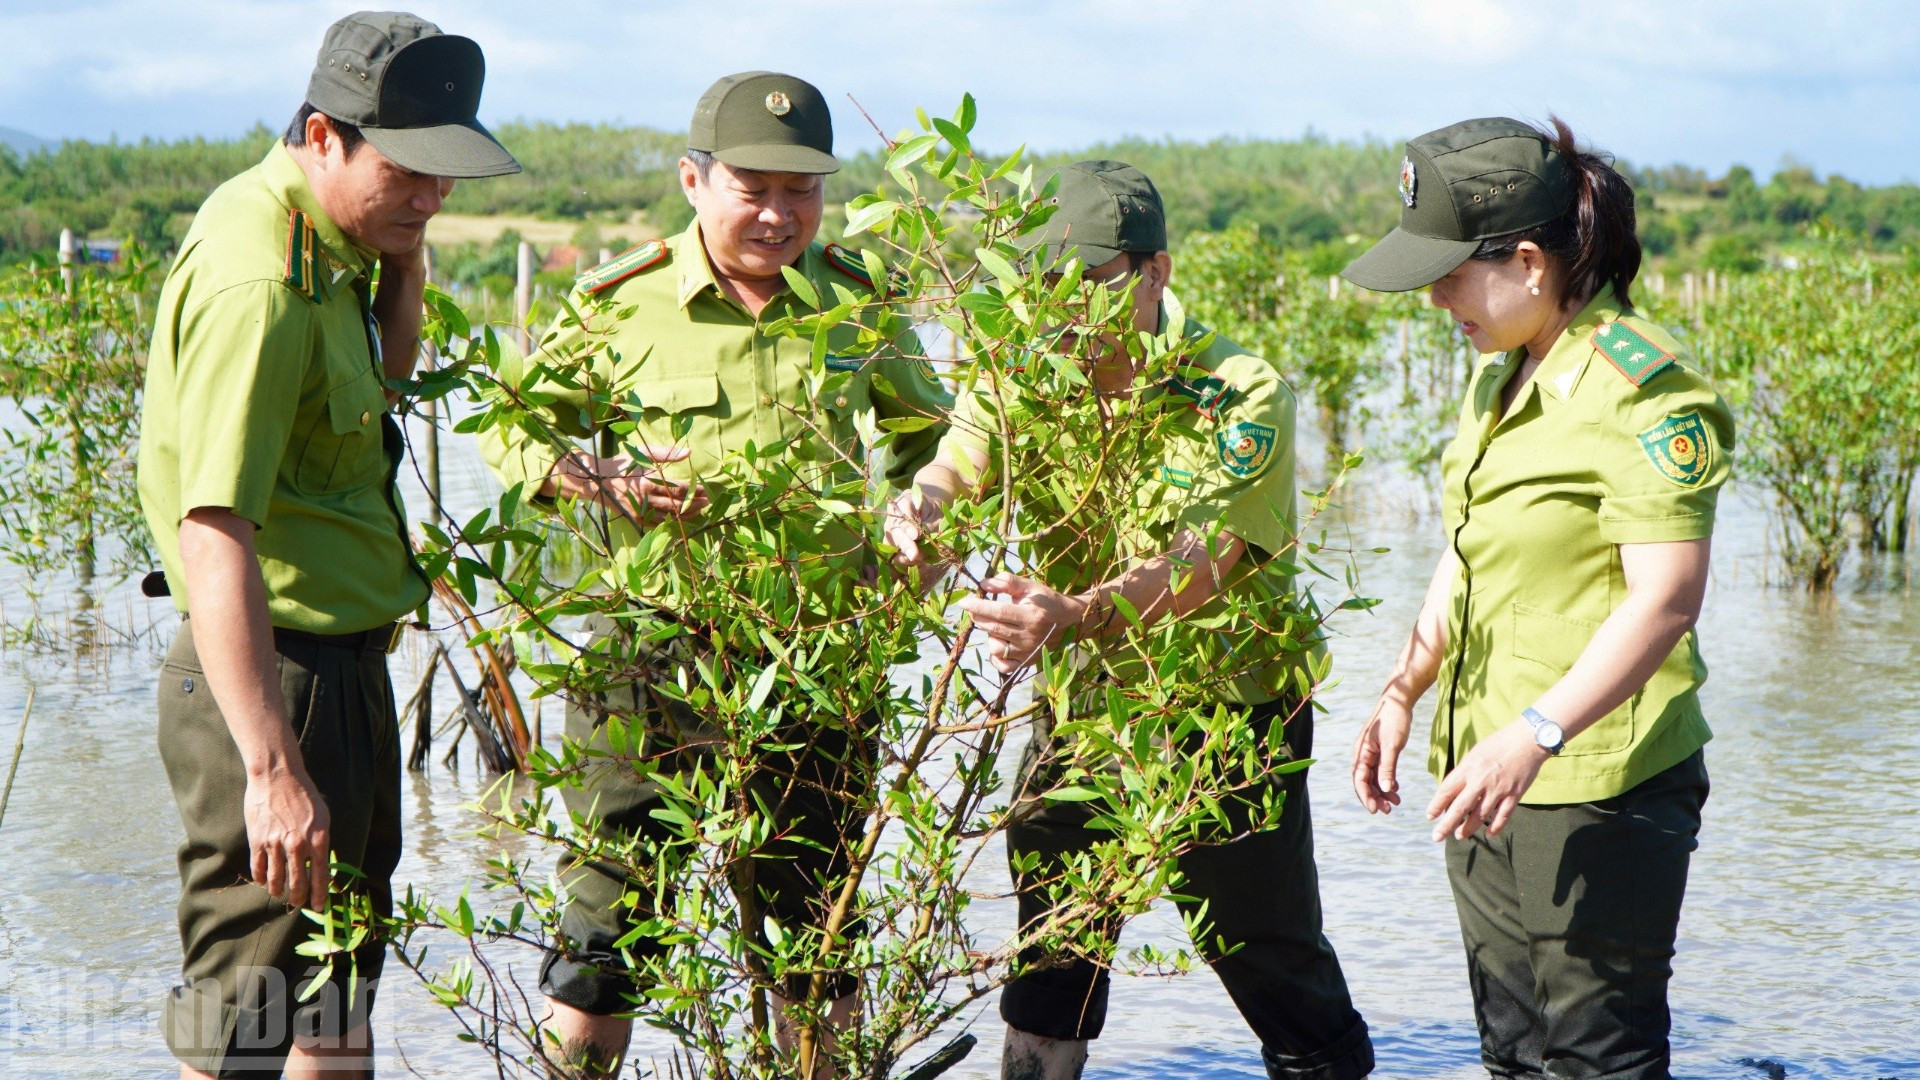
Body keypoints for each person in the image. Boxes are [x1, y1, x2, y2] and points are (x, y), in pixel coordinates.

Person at [477, 71, 950, 1076]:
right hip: (652, 657)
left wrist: (921, 523)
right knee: (609, 929)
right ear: (694, 181)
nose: (780, 215)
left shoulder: (856, 303)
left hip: (816, 662)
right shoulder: (623, 302)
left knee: (812, 940)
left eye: (803, 191)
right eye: (754, 188)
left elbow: (928, 442)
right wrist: (589, 475)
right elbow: (510, 423)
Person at [885, 161, 1374, 1080]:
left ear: (1156, 271)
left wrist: (1076, 612)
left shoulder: (1240, 389)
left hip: (1228, 714)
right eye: (1041, 285)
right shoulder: (1022, 373)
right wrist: (921, 518)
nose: (1062, 306)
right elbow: (955, 465)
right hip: (1084, 709)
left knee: (1270, 960)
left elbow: (1203, 561)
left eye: (1089, 282)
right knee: (1051, 960)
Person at [136, 12, 519, 1078]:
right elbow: (211, 531)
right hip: (272, 682)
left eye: (449, 177)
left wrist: (405, 251)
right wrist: (270, 769)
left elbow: (378, 387)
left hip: (341, 674)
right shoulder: (261, 277)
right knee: (242, 1029)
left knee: (335, 1004)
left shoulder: (337, 238)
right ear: (320, 135)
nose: (432, 196)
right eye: (409, 172)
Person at [1342, 117, 1733, 1080]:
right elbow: (1469, 551)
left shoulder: (1646, 396)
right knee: (1512, 1052)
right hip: (1484, 771)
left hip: (1599, 778)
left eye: (1447, 273)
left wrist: (1535, 734)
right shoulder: (1497, 376)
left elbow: (1666, 600)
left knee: (1599, 1057)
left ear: (1527, 262)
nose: (1434, 299)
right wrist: (1404, 688)